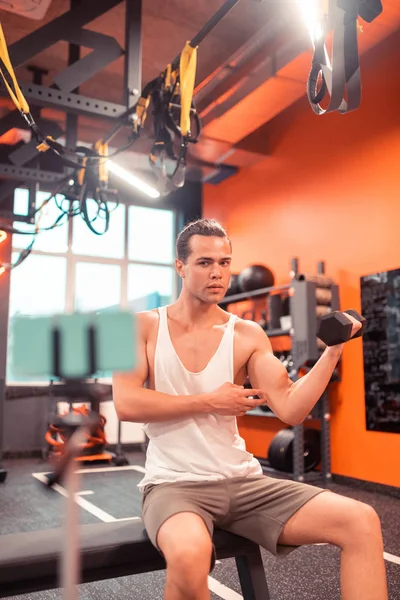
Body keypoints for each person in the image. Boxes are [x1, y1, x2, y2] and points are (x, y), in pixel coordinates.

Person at [112, 218, 388, 600]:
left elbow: (290, 408)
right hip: (176, 485)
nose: (217, 273)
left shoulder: (246, 334)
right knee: (191, 557)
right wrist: (210, 401)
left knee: (361, 521)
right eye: (205, 262)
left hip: (244, 483)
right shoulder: (141, 327)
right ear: (180, 267)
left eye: (225, 263)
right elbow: (126, 403)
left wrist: (333, 350)